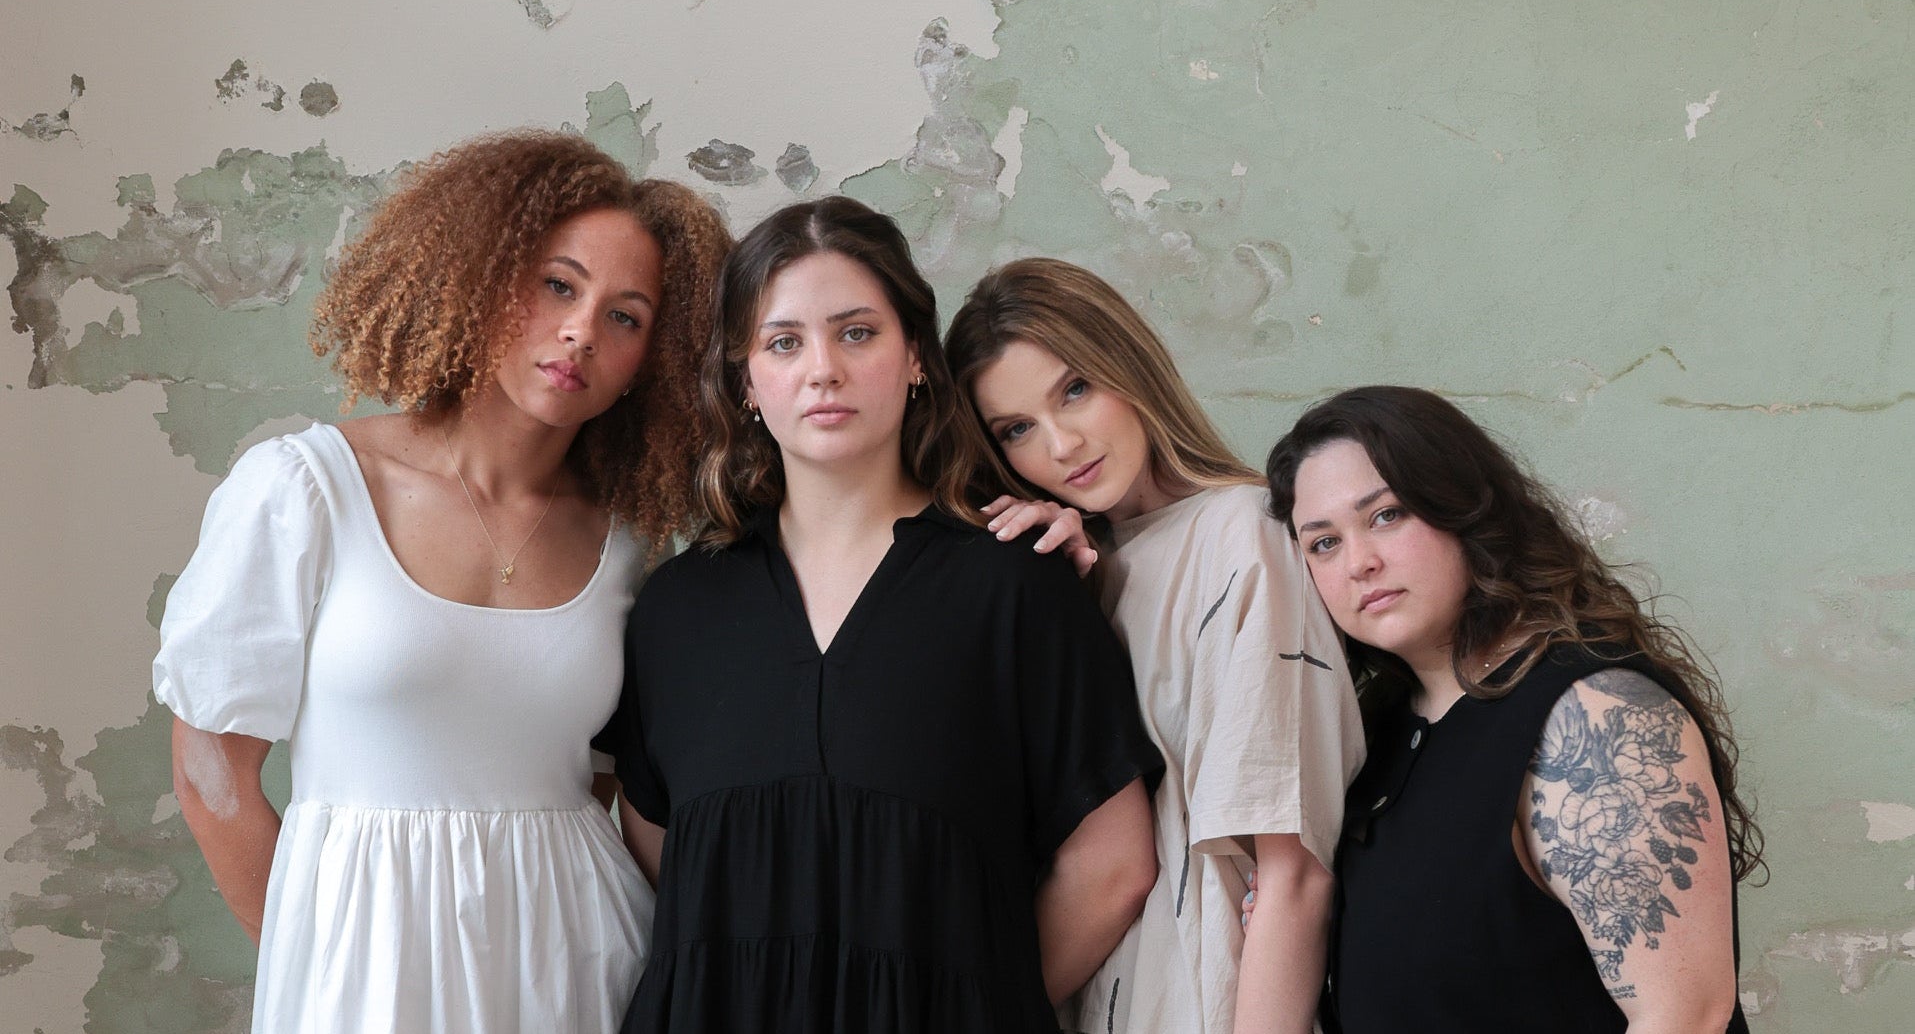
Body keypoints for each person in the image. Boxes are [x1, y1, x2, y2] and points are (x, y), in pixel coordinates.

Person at [154, 130, 730, 1033]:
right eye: (558, 285)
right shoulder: (307, 489)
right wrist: (323, 969)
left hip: (580, 966)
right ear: (484, 279)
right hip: (364, 975)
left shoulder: (626, 544)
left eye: (626, 317)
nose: (580, 331)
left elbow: (600, 786)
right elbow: (210, 777)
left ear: (651, 363)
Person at [600, 197, 1164, 1033]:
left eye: (856, 333)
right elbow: (665, 855)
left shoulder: (1015, 586)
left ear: (915, 359)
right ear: (745, 381)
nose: (822, 369)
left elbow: (1112, 868)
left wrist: (966, 1006)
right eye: (783, 342)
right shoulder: (676, 609)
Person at [946, 257, 1366, 1034]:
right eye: (1016, 430)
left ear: (1128, 364)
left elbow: (1292, 873)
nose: (1062, 444)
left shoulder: (1243, 536)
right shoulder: (1079, 572)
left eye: (1074, 389)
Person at [1264, 385, 1763, 1034]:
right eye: (1323, 543)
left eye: (1386, 515)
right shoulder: (1378, 730)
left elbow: (1685, 1017)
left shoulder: (1594, 712)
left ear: (1462, 507)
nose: (1360, 562)